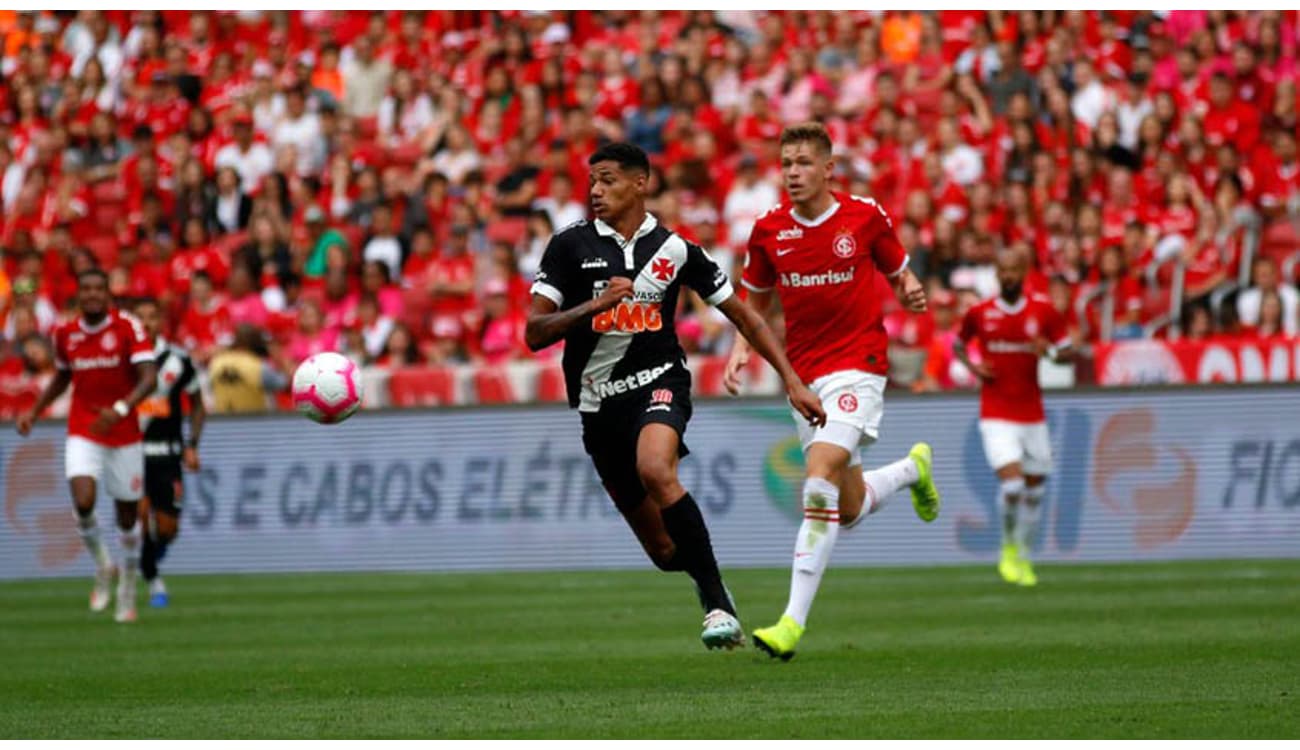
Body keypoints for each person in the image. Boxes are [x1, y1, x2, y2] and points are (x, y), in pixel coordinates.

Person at [526, 142, 825, 651]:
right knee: (665, 552)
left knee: (657, 468)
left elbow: (746, 315)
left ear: (641, 183)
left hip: (660, 381)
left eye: (608, 180)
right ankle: (710, 580)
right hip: (600, 407)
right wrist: (595, 304)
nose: (596, 191)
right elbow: (534, 332)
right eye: (592, 181)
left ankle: (717, 606)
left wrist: (792, 379)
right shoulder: (569, 246)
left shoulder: (675, 249)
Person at [722, 122, 941, 660]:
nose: (792, 173)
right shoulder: (769, 230)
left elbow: (900, 269)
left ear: (827, 168)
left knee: (817, 480)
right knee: (845, 509)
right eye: (786, 163)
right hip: (804, 377)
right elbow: (756, 301)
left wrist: (910, 288)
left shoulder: (864, 216)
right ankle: (913, 469)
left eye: (802, 163)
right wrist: (741, 350)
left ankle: (790, 624)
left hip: (859, 366)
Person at [15, 269, 157, 623]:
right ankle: (103, 566)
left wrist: (122, 409)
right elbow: (63, 376)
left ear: (108, 294)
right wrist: (34, 409)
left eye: (99, 289)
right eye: (87, 289)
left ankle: (126, 583)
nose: (92, 295)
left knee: (128, 517)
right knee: (83, 501)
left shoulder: (128, 328)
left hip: (123, 431)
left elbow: (149, 377)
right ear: (79, 295)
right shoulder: (65, 333)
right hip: (84, 427)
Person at [954, 248, 1073, 588]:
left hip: (1032, 414)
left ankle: (1023, 554)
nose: (1007, 276)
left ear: (1023, 272)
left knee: (1035, 493)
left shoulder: (1043, 312)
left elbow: (1068, 352)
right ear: (996, 272)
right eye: (1001, 270)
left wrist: (1047, 351)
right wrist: (975, 367)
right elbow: (959, 345)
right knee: (1013, 485)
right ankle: (1007, 549)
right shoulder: (980, 313)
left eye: (1013, 270)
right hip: (996, 413)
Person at [132, 297, 205, 608]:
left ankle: (153, 555)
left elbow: (198, 404)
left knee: (167, 528)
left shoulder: (178, 360)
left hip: (168, 454)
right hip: (132, 453)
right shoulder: (123, 361)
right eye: (140, 318)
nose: (146, 323)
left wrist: (192, 444)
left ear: (160, 321)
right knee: (140, 518)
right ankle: (153, 581)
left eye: (151, 317)